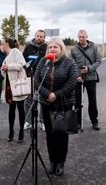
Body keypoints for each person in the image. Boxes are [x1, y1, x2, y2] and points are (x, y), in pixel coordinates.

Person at [34, 38, 77, 176]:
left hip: (63, 104)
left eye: (55, 47)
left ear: (61, 49)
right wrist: (47, 94)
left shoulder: (70, 62)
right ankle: (52, 162)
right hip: (46, 103)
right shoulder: (43, 61)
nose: (52, 49)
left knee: (61, 134)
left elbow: (72, 83)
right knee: (50, 134)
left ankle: (60, 162)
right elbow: (36, 80)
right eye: (50, 47)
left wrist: (56, 95)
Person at [70, 29, 102, 130]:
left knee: (92, 100)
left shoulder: (94, 47)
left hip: (91, 77)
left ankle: (94, 121)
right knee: (77, 101)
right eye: (79, 37)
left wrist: (89, 69)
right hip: (78, 78)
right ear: (78, 37)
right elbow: (71, 63)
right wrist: (76, 76)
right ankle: (78, 122)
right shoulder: (74, 49)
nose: (81, 39)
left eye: (83, 37)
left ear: (87, 37)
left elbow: (98, 60)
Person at [1, 38, 27, 143]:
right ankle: (11, 132)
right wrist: (3, 68)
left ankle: (21, 132)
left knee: (20, 109)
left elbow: (22, 64)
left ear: (7, 44)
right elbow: (4, 70)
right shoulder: (6, 55)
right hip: (9, 85)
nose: (2, 46)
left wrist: (8, 67)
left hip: (18, 84)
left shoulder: (16, 51)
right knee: (11, 109)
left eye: (3, 44)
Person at [22, 29, 47, 130]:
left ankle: (42, 121)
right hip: (30, 77)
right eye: (38, 36)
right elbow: (23, 61)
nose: (39, 38)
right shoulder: (28, 47)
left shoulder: (47, 47)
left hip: (43, 78)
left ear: (44, 38)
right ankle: (28, 121)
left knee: (43, 100)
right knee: (29, 100)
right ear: (35, 36)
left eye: (41, 36)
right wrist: (27, 69)